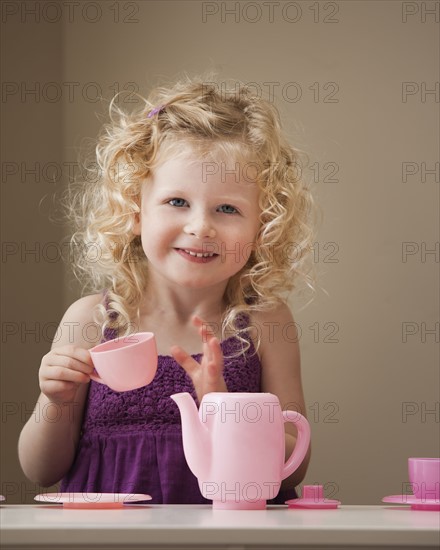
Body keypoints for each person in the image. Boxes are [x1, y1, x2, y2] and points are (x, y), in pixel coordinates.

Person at [18, 75, 315, 504]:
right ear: (135, 210)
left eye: (228, 208)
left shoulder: (266, 323)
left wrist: (220, 405)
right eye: (177, 202)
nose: (200, 226)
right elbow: (40, 470)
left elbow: (291, 469)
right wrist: (56, 401)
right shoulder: (91, 321)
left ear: (262, 226)